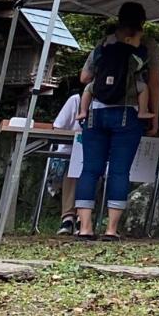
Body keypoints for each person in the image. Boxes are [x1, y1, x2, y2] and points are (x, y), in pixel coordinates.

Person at [75, 6, 155, 240]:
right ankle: (111, 229)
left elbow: (84, 77)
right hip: (126, 114)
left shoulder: (102, 45)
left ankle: (85, 227)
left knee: (90, 169)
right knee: (119, 171)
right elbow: (151, 79)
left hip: (95, 113)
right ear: (142, 22)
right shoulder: (142, 48)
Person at [49, 87, 87, 234]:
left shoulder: (106, 103)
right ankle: (69, 217)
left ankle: (82, 217)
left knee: (92, 169)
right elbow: (57, 128)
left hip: (92, 153)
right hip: (69, 152)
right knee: (73, 167)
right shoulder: (75, 100)